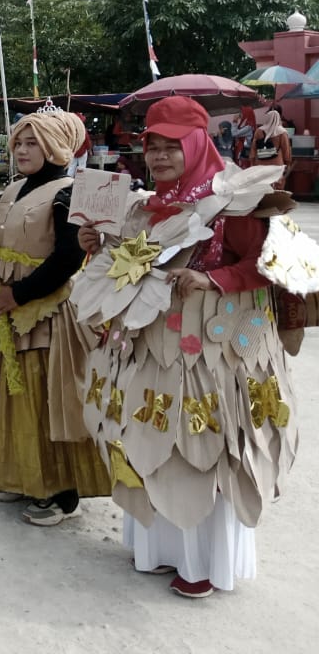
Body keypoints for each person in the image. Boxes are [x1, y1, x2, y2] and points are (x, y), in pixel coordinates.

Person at [71, 96, 304, 598]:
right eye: (152, 146)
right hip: (153, 352)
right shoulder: (146, 205)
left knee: (203, 450)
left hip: (212, 357)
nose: (158, 157)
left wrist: (212, 279)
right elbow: (132, 266)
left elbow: (264, 263)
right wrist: (99, 247)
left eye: (170, 146)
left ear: (197, 143)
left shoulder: (234, 198)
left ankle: (202, 563)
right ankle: (157, 550)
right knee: (153, 444)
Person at [0, 108, 111, 524]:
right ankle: (18, 474)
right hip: (6, 306)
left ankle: (59, 491)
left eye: (34, 143)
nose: (23, 149)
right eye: (20, 142)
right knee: (14, 397)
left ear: (56, 147)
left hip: (46, 313)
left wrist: (20, 293)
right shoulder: (12, 189)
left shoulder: (70, 192)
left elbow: (69, 256)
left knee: (49, 399)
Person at [250, 108, 291, 188]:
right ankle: (275, 199)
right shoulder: (282, 132)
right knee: (277, 183)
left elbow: (253, 148)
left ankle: (264, 199)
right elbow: (286, 149)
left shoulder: (259, 131)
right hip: (277, 163)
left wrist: (252, 161)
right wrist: (288, 163)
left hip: (260, 162)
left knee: (262, 184)